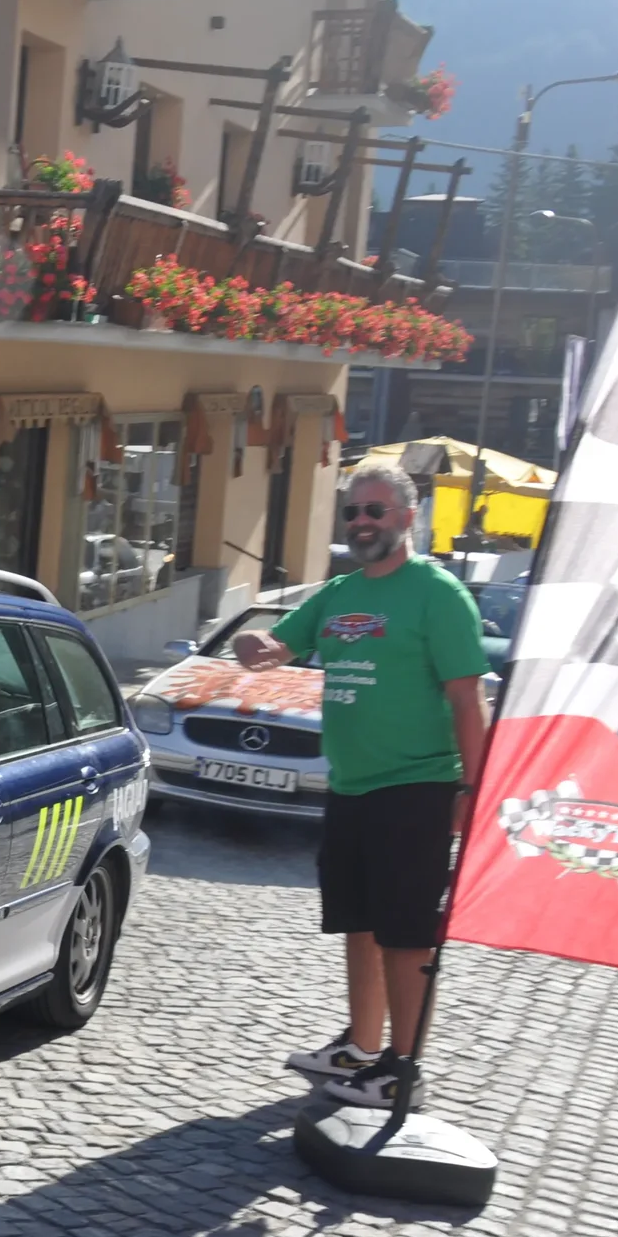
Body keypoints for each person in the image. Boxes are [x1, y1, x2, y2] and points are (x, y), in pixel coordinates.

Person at [234, 464, 489, 1111]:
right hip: (350, 787)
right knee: (360, 924)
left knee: (406, 934)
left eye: (375, 510)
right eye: (353, 512)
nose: (362, 523)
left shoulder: (438, 594)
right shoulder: (340, 592)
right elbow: (275, 650)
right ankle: (361, 1046)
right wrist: (250, 641)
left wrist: (471, 788)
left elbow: (467, 699)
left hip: (418, 787)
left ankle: (403, 1070)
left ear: (407, 518)